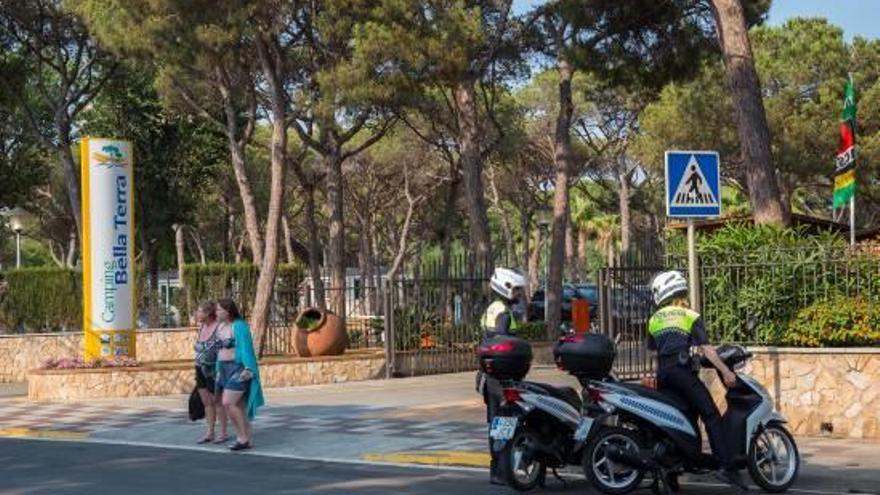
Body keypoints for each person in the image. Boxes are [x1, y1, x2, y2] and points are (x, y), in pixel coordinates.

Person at [647, 270, 748, 490]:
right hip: (683, 373)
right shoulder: (689, 315)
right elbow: (708, 350)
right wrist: (726, 372)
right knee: (711, 414)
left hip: (664, 374)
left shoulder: (654, 319)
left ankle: (673, 471)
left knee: (679, 419)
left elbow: (654, 354)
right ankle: (725, 466)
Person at [478, 266, 527, 485]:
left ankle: (496, 469)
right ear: (506, 288)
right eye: (516, 290)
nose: (518, 294)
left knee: (495, 422)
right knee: (505, 423)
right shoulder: (503, 314)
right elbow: (505, 344)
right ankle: (502, 469)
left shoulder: (491, 308)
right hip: (502, 377)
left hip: (490, 376)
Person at [214, 299, 265, 451]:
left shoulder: (239, 326)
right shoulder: (221, 326)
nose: (216, 312)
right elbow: (219, 352)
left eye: (219, 310)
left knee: (228, 402)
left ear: (228, 311)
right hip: (224, 369)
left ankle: (242, 438)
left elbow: (246, 347)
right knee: (238, 406)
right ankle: (245, 438)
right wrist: (218, 370)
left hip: (238, 368)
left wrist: (249, 368)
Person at [193, 301, 228, 444]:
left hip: (214, 369)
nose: (197, 314)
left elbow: (222, 347)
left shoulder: (218, 328)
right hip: (200, 367)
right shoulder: (202, 327)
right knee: (207, 402)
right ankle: (210, 432)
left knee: (217, 401)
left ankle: (223, 432)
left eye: (200, 311)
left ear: (207, 313)